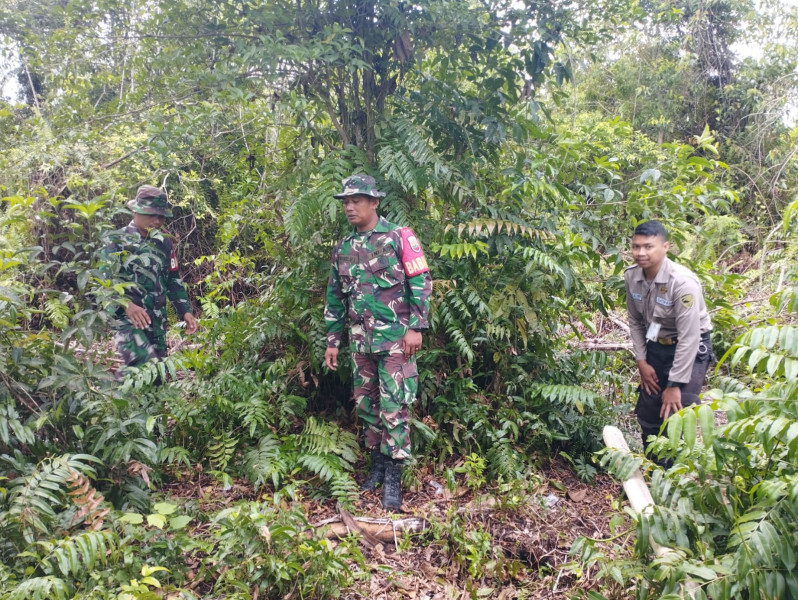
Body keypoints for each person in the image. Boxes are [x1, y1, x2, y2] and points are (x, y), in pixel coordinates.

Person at [324, 174, 432, 510]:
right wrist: (332, 340)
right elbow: (334, 296)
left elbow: (421, 281)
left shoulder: (400, 237)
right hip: (360, 343)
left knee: (394, 405)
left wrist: (416, 327)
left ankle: (394, 478)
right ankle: (378, 467)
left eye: (357, 200)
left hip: (396, 340)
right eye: (345, 201)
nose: (350, 206)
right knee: (367, 406)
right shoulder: (343, 248)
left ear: (374, 202)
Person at [624, 220, 713, 462]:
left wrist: (674, 384)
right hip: (656, 342)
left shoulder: (682, 283)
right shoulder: (632, 277)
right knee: (650, 410)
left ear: (665, 247)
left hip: (691, 349)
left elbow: (690, 336)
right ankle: (655, 470)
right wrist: (641, 361)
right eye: (636, 247)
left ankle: (676, 476)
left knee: (677, 411)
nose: (641, 253)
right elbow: (635, 321)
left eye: (648, 247)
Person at [102, 185, 198, 374]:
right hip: (126, 321)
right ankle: (112, 397)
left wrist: (185, 311)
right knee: (144, 369)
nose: (156, 221)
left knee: (158, 376)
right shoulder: (116, 241)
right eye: (151, 215)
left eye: (161, 216)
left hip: (157, 321)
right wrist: (127, 305)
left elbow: (172, 279)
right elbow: (105, 283)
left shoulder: (164, 243)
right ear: (135, 211)